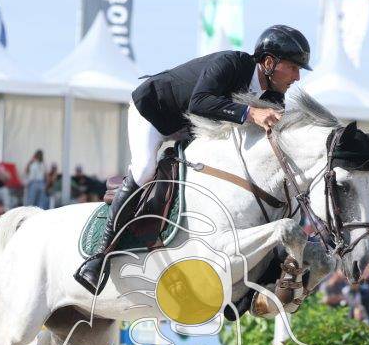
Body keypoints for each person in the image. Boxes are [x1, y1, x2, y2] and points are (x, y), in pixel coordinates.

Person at [75, 24, 311, 293]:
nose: (298, 77)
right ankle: (100, 255)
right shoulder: (232, 64)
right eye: (293, 67)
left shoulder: (274, 97)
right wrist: (250, 113)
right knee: (144, 169)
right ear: (269, 63)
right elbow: (199, 102)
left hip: (191, 128)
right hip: (155, 113)